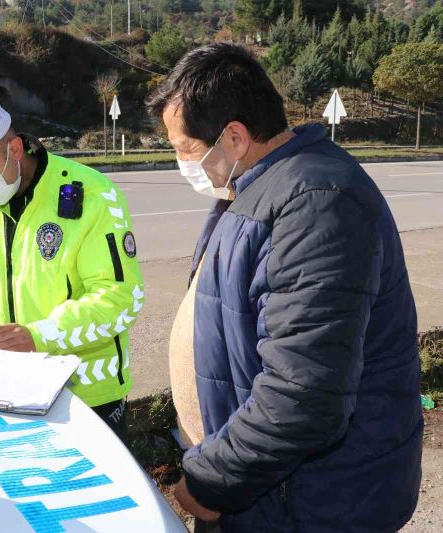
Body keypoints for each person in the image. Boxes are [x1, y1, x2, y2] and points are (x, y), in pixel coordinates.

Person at [146, 43, 422, 531]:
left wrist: (212, 480)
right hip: (269, 492)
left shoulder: (316, 203)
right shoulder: (260, 186)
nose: (181, 164)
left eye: (185, 149)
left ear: (234, 135)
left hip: (310, 503)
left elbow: (304, 395)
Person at [0, 96, 144, 439]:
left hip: (84, 397)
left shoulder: (92, 193)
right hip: (4, 387)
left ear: (14, 149)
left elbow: (121, 298)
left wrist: (39, 335)